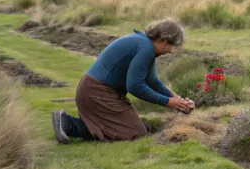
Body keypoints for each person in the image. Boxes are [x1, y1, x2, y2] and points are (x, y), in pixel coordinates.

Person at [51, 18, 194, 143]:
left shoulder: (144, 44)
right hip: (96, 94)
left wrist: (177, 100)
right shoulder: (145, 48)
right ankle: (69, 124)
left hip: (97, 92)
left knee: (140, 129)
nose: (170, 51)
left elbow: (152, 81)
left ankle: (120, 125)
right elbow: (135, 86)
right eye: (171, 45)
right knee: (136, 134)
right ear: (163, 40)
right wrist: (168, 102)